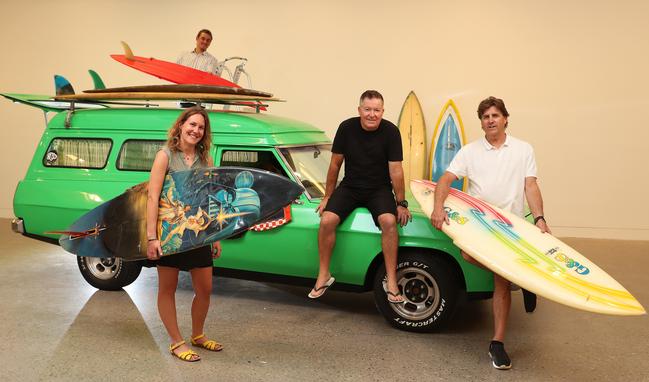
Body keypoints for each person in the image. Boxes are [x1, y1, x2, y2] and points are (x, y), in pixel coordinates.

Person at [429, 96, 550, 370]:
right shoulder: (470, 151)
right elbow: (446, 179)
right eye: (485, 117)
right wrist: (438, 208)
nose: (491, 120)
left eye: (495, 115)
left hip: (510, 224)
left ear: (505, 118)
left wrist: (540, 218)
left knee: (499, 280)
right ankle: (519, 280)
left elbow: (530, 186)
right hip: (478, 222)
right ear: (481, 123)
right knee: (466, 253)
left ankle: (497, 343)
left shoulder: (523, 149)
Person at [309, 90, 411, 303]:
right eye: (367, 109)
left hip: (379, 189)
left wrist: (401, 203)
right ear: (359, 110)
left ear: (382, 111)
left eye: (376, 110)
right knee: (327, 220)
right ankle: (324, 274)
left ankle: (391, 281)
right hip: (351, 187)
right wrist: (327, 196)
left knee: (389, 221)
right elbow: (335, 164)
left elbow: (396, 171)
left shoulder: (391, 132)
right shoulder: (346, 128)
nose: (372, 114)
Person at [147, 107, 223, 362]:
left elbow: (210, 199)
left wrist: (216, 235)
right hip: (170, 233)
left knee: (205, 288)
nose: (195, 130)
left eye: (201, 127)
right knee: (167, 288)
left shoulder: (206, 159)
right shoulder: (165, 155)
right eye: (192, 124)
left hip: (198, 232)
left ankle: (198, 336)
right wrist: (151, 237)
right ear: (180, 125)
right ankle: (176, 341)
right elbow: (152, 197)